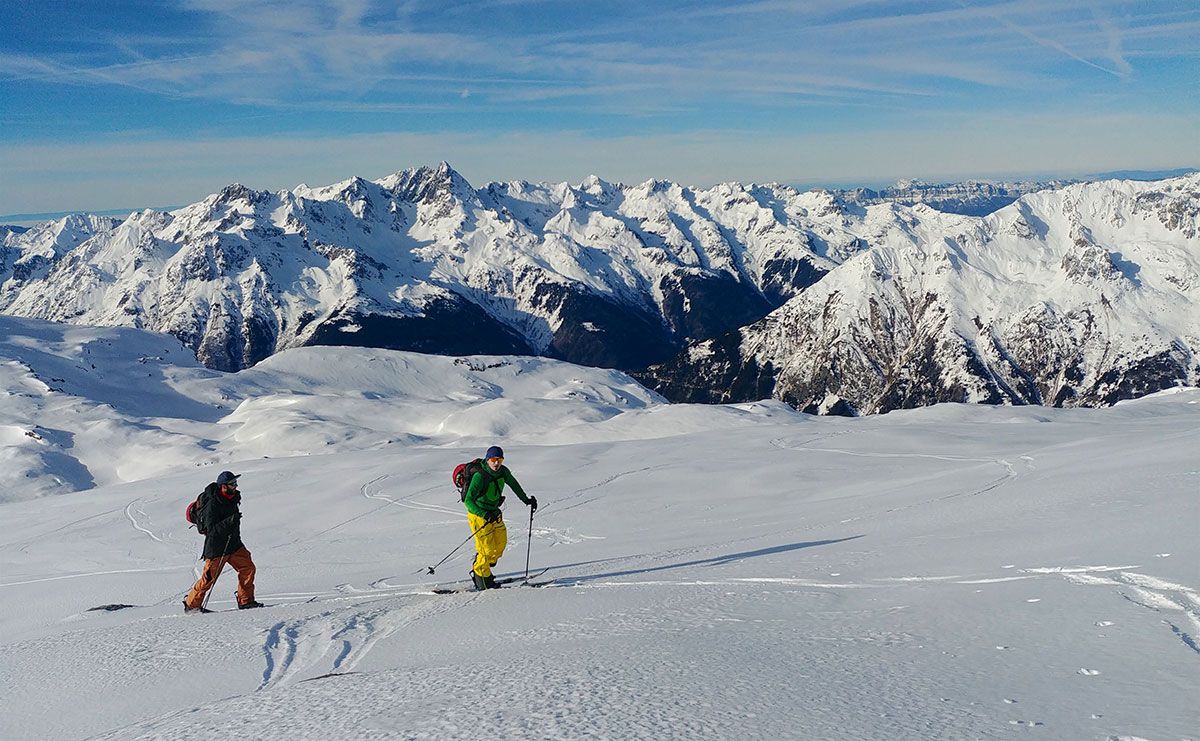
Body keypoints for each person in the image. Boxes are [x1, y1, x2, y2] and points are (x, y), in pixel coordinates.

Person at [183, 471, 264, 613]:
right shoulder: (213, 503)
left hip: (233, 544)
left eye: (235, 483)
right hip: (216, 547)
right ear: (223, 486)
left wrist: (232, 523)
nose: (236, 486)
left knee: (248, 568)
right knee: (208, 579)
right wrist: (230, 521)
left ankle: (246, 601)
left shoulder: (233, 498)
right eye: (232, 483)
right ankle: (191, 605)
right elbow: (211, 529)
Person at [464, 446, 537, 589]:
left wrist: (526, 500)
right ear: (487, 459)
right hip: (479, 515)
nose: (496, 463)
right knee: (487, 549)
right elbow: (468, 501)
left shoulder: (503, 472)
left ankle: (481, 564)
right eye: (493, 460)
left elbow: (514, 485)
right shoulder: (480, 476)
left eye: (499, 460)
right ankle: (482, 578)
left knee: (500, 545)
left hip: (494, 512)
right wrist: (484, 514)